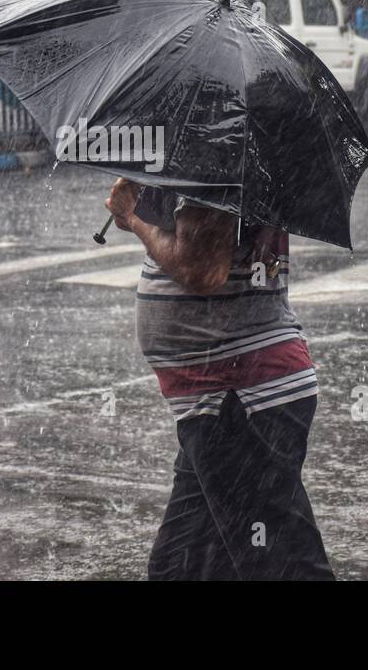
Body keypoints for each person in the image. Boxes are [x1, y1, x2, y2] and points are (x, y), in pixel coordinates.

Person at [105, 178, 335, 580]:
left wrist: (133, 218)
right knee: (180, 567)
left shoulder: (213, 144)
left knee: (280, 567)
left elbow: (202, 269)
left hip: (238, 397)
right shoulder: (228, 146)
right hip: (222, 397)